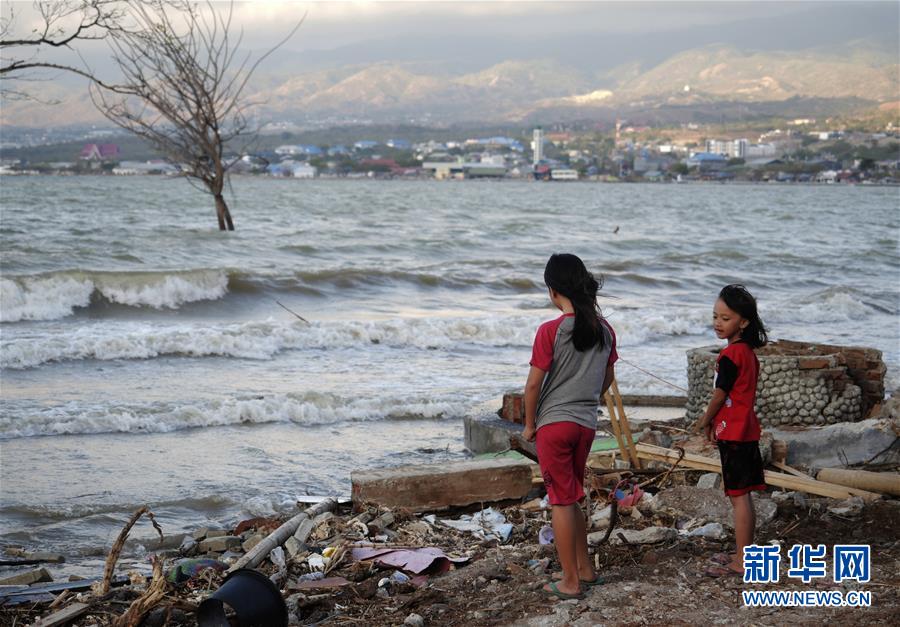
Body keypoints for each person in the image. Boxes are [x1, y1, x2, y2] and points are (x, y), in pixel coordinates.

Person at [522, 253, 618, 600]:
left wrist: (530, 424)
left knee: (561, 501)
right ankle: (586, 570)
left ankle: (570, 582)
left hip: (555, 425)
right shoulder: (605, 330)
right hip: (585, 425)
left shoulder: (550, 330)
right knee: (573, 496)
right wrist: (588, 399)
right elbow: (606, 377)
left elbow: (533, 385)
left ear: (552, 291)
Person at [692, 284, 769, 577]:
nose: (717, 323)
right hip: (746, 428)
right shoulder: (747, 353)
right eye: (715, 316)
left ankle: (742, 561)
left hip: (735, 432)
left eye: (725, 318)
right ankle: (741, 554)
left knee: (739, 497)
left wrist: (704, 421)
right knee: (743, 495)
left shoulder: (729, 356)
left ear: (744, 322)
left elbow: (719, 395)